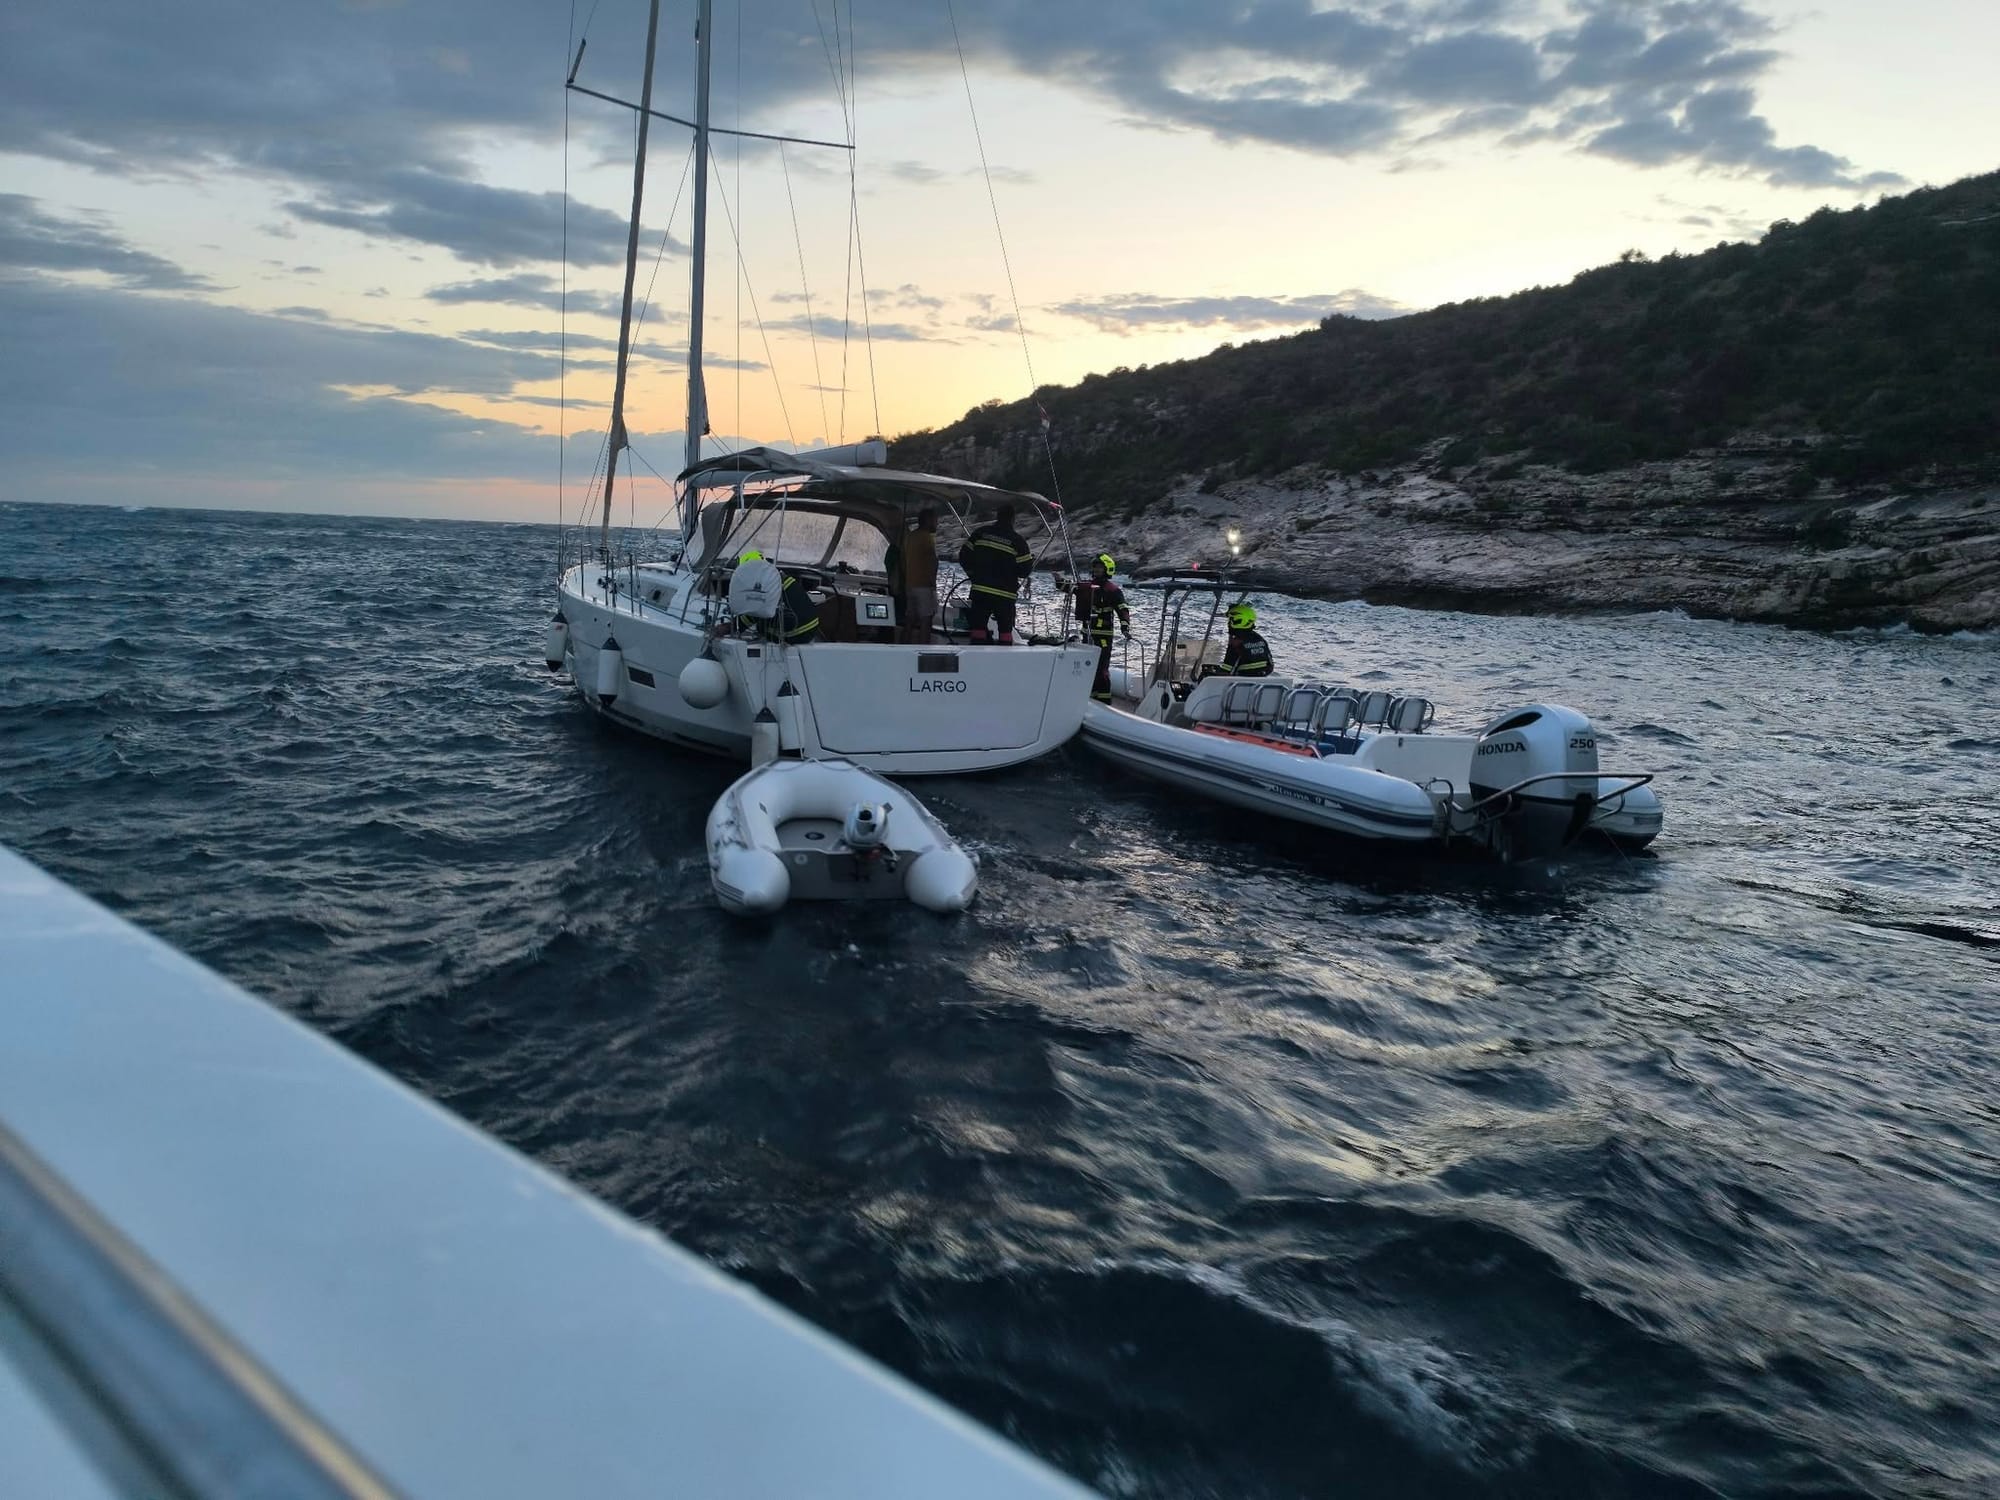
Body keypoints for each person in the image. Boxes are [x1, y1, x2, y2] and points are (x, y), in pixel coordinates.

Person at [956, 501, 1033, 644]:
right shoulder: (1018, 541)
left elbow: (963, 557)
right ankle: (1003, 653)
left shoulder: (981, 533)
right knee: (1005, 631)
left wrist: (973, 575)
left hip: (981, 590)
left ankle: (977, 651)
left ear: (997, 516)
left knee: (978, 628)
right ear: (1013, 519)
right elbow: (1025, 571)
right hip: (1005, 594)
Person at [1075, 552, 1131, 702]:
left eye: (1100, 567)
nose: (1097, 570)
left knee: (1101, 668)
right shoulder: (1087, 586)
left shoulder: (1113, 590)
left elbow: (1123, 609)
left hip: (1103, 636)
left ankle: (1104, 700)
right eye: (1095, 567)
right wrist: (1059, 581)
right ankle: (1090, 696)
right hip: (1087, 634)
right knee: (1087, 666)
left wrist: (1125, 627)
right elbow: (1073, 589)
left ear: (1107, 569)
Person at [736, 549, 820, 643]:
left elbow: (755, 613)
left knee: (761, 626)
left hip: (799, 633)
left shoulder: (764, 585)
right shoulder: (778, 577)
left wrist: (731, 627)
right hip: (811, 626)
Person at [1197, 601, 1272, 679]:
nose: (1229, 623)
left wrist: (1209, 672)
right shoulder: (1259, 639)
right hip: (1260, 678)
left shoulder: (1236, 642)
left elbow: (1227, 670)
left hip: (1241, 680)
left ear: (1239, 621)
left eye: (1231, 619)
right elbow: (1269, 663)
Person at [899, 507, 939, 643]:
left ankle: (903, 646)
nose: (937, 524)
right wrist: (933, 585)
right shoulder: (926, 538)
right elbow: (932, 562)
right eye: (935, 520)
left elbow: (903, 561)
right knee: (926, 621)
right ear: (928, 520)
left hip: (910, 585)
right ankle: (924, 650)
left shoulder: (910, 537)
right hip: (924, 586)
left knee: (909, 620)